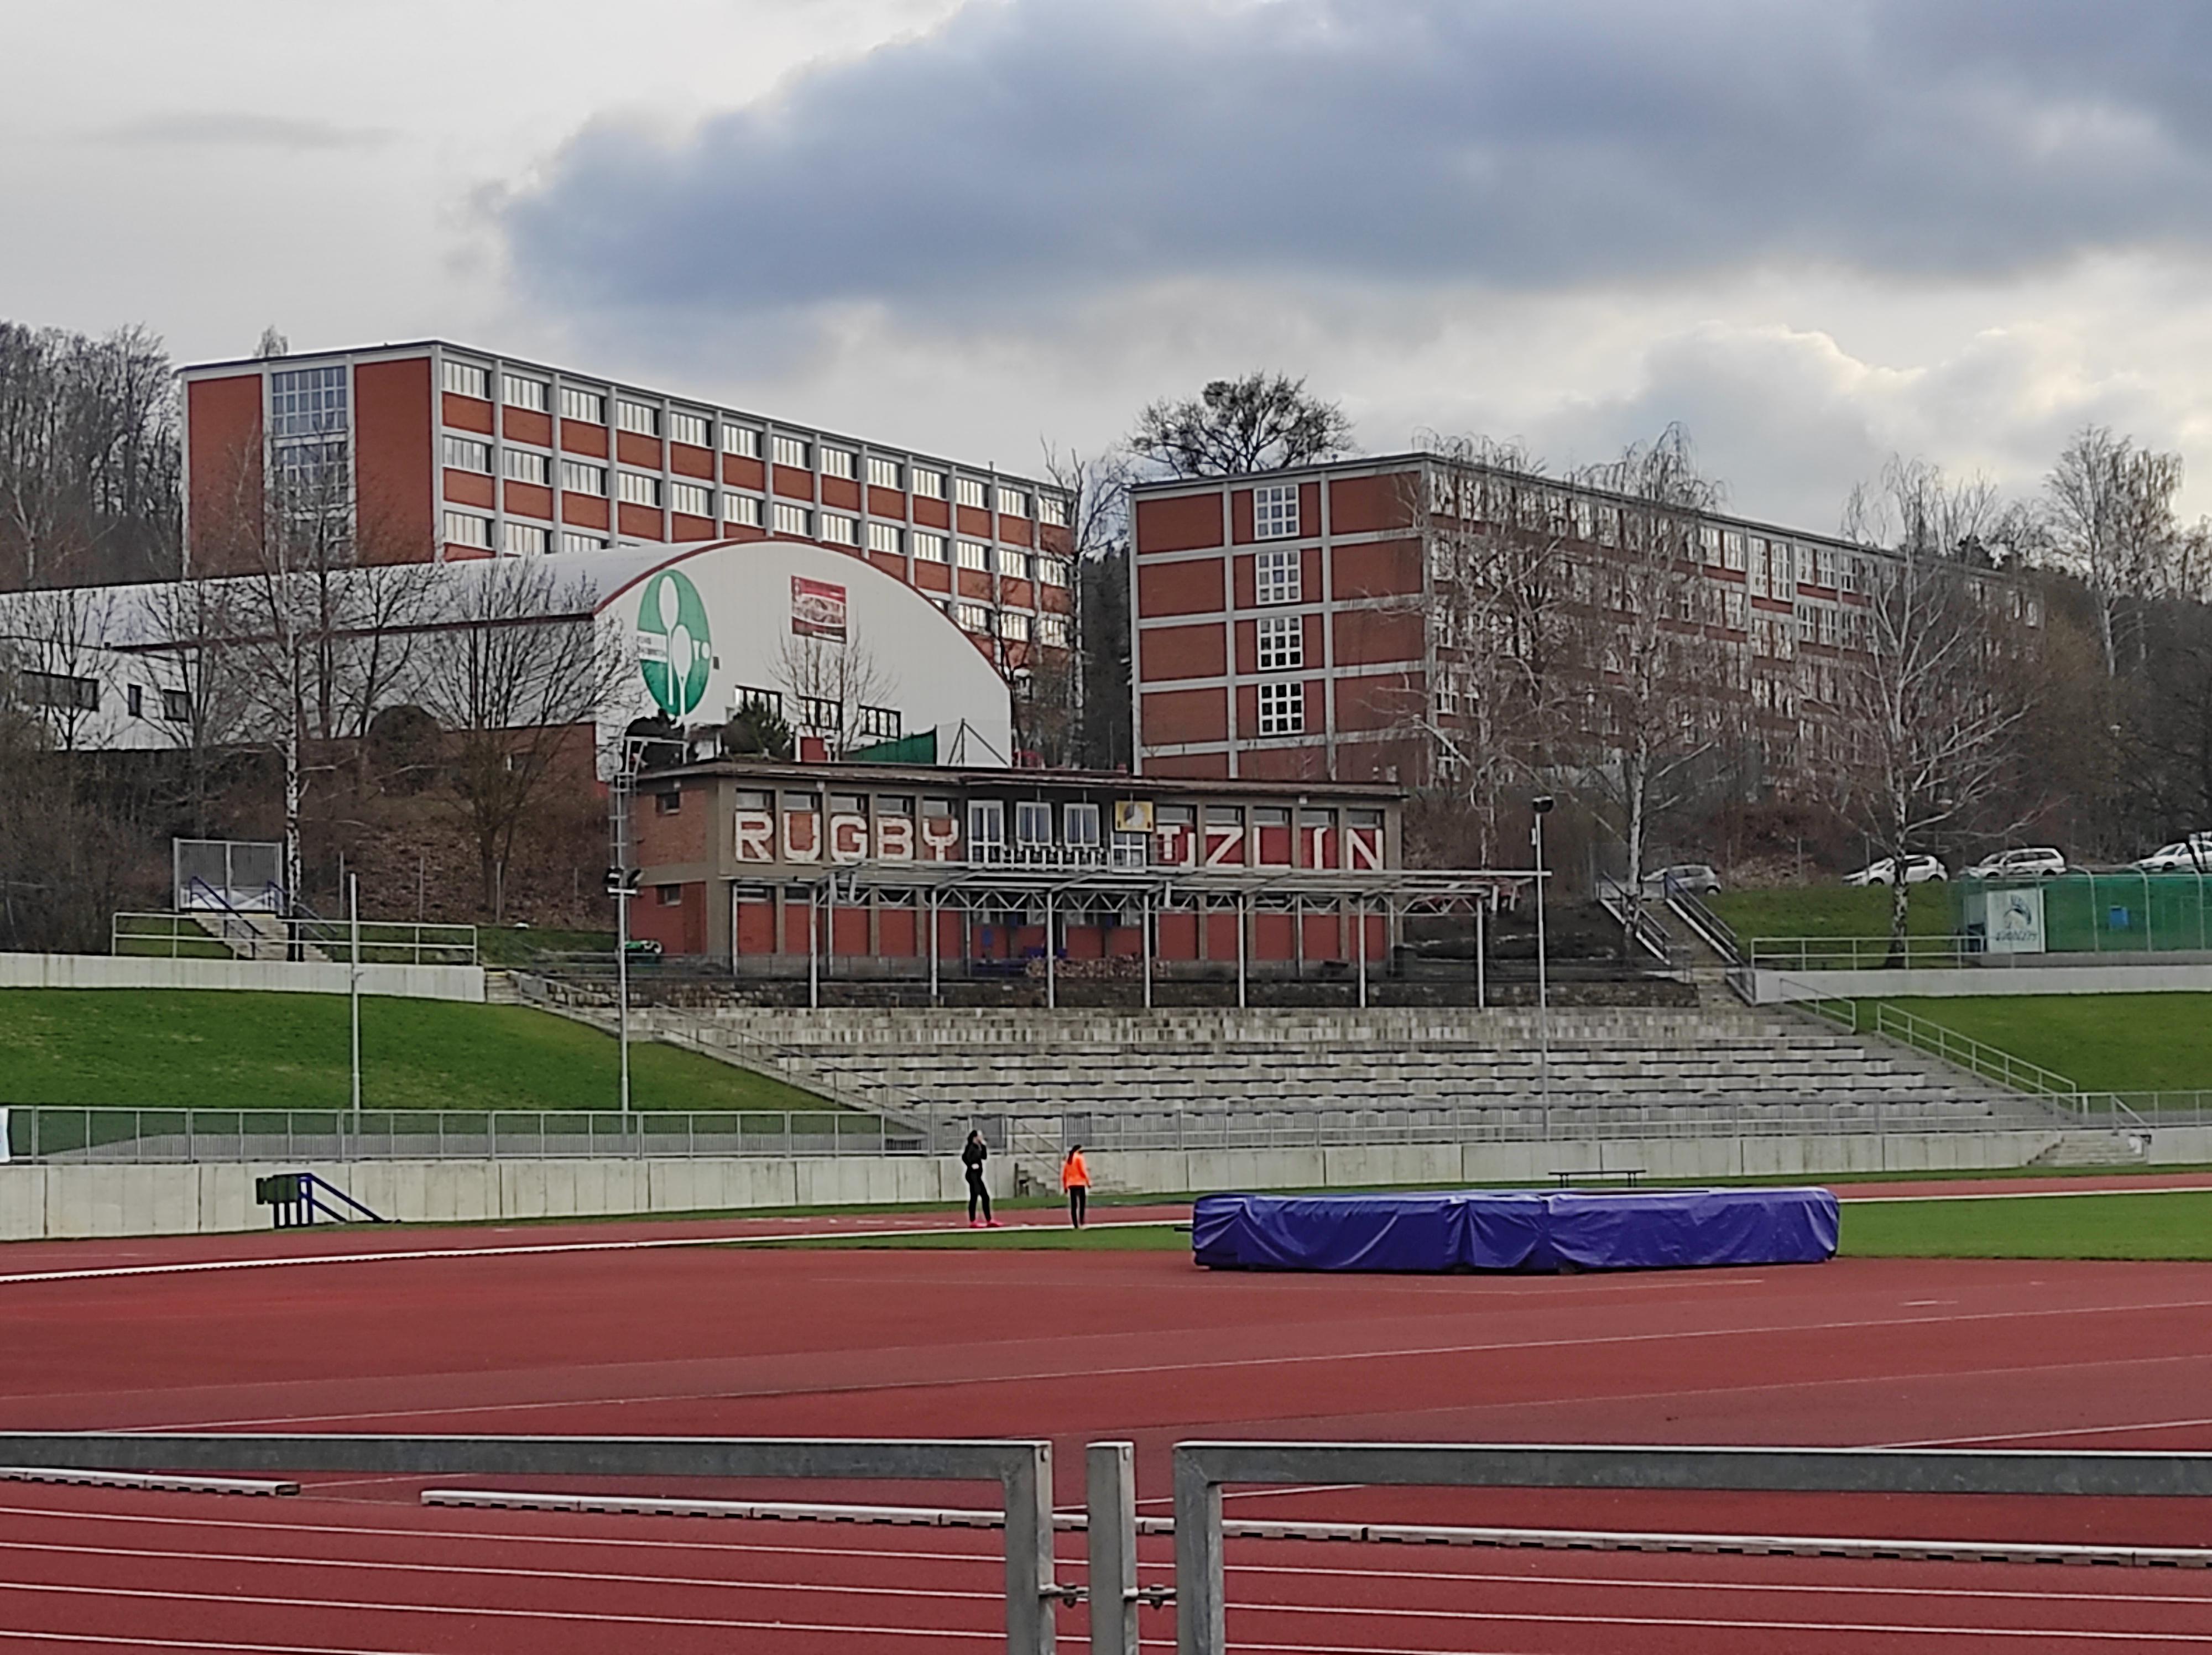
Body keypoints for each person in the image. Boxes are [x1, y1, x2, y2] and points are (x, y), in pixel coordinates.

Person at [961, 1130, 998, 1228]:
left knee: (985, 1197)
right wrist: (971, 1165)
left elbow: (984, 1157)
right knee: (975, 1196)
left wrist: (984, 1146)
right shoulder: (970, 1147)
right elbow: (965, 1157)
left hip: (978, 1176)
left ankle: (989, 1220)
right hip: (972, 1175)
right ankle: (973, 1221)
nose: (981, 1137)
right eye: (980, 1136)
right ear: (975, 1137)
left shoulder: (978, 1147)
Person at [1061, 1144, 1090, 1229]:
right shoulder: (1079, 1158)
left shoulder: (1069, 1159)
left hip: (1071, 1184)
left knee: (1074, 1206)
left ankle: (1075, 1224)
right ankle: (1081, 1221)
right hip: (1080, 1183)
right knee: (1082, 1204)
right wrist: (1088, 1181)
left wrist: (1065, 1186)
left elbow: (1065, 1174)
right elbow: (1083, 1170)